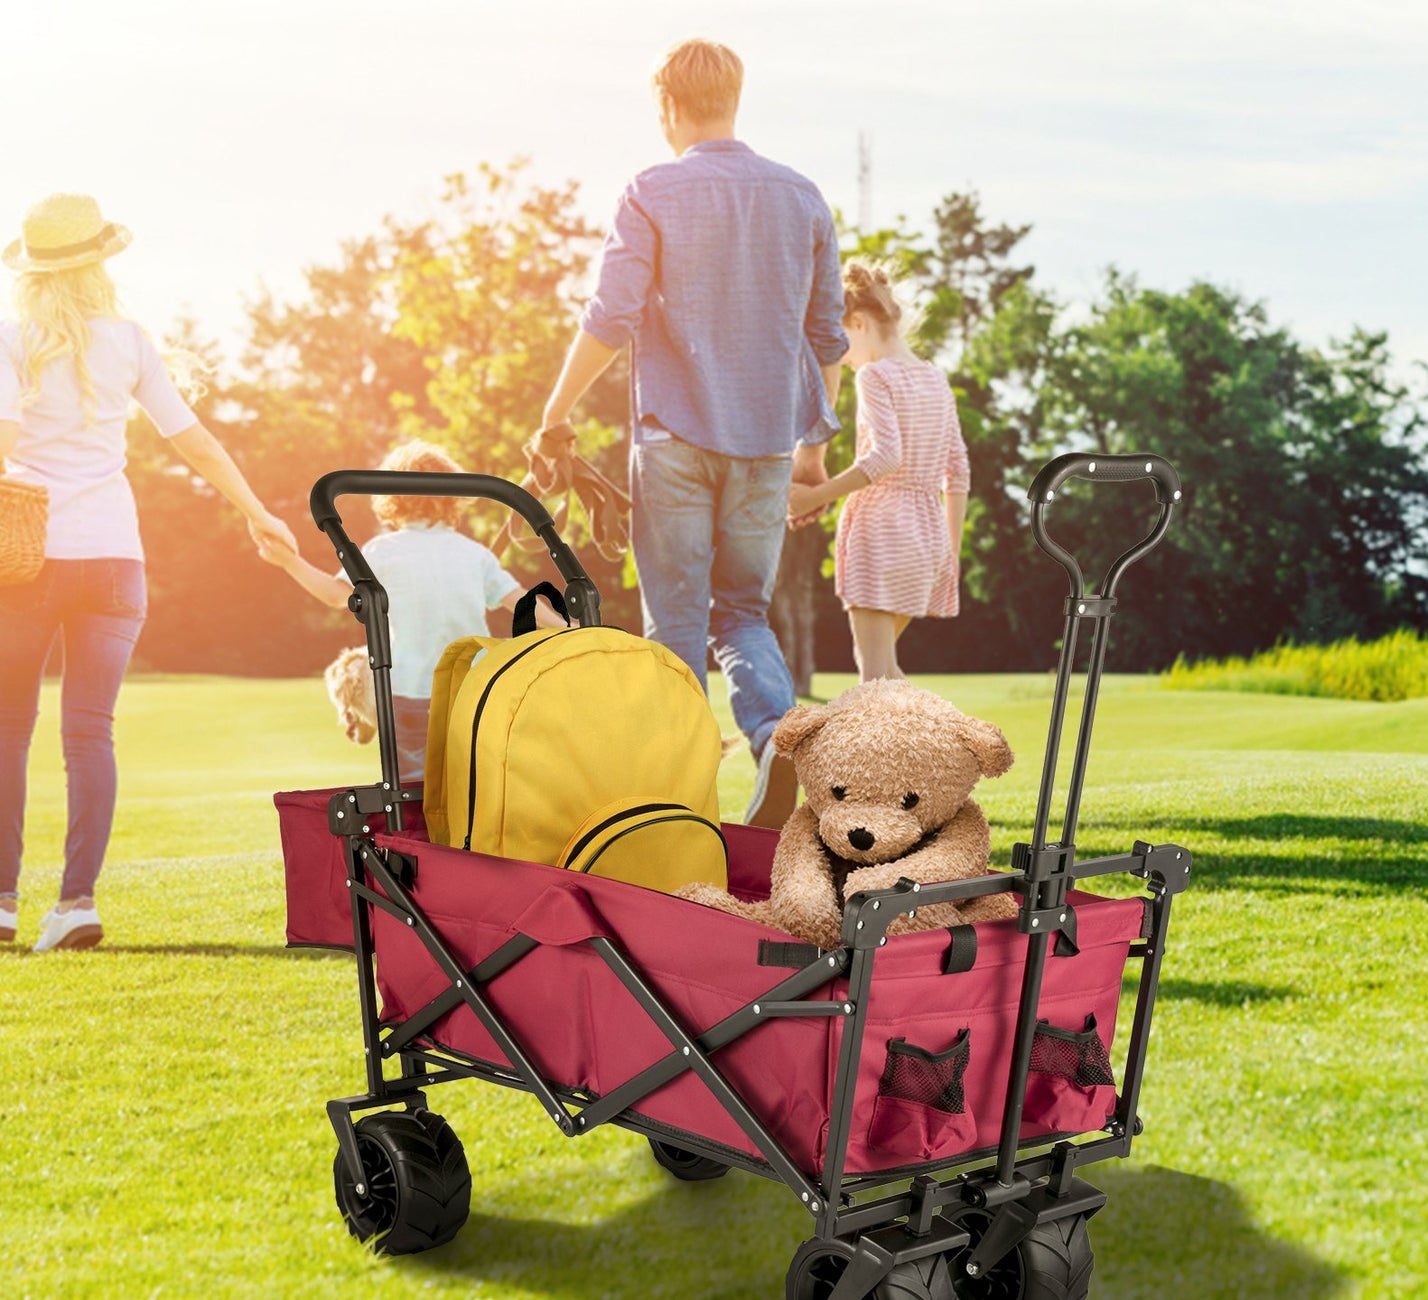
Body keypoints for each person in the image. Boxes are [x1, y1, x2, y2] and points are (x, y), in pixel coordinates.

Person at [536, 37, 848, 828]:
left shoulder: (652, 188)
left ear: (669, 107)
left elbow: (611, 315)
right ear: (733, 100)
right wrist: (814, 451)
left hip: (671, 439)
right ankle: (776, 733)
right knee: (741, 611)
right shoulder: (801, 195)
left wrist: (556, 411)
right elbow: (828, 336)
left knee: (673, 620)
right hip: (767, 444)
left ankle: (676, 795)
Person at [0, 193, 297, 953]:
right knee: (89, 733)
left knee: (8, 731)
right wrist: (258, 512)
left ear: (33, 270)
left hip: (26, 562)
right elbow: (193, 441)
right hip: (114, 560)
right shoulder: (128, 340)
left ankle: (2, 905)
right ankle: (74, 904)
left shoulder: (12, 335)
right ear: (99, 261)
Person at [259, 439, 567, 780]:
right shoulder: (473, 553)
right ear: (453, 496)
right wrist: (570, 629)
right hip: (473, 694)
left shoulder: (382, 551)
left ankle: (412, 824)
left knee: (414, 792)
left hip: (407, 695)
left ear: (391, 498)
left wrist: (290, 561)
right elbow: (522, 602)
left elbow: (335, 595)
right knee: (474, 784)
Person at [788, 261, 971, 683]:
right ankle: (930, 746)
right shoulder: (936, 380)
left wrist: (816, 496)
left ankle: (935, 746)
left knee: (873, 682)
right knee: (887, 674)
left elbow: (886, 457)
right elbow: (958, 471)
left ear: (858, 322)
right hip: (925, 540)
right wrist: (950, 551)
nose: (840, 358)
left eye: (840, 342)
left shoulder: (874, 376)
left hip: (881, 534)